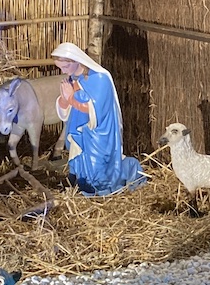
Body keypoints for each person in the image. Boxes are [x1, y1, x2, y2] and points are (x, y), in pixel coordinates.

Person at [51, 42, 145, 196]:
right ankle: (82, 186)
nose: (63, 71)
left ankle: (128, 170)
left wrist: (71, 97)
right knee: (80, 166)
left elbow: (94, 109)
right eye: (60, 67)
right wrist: (64, 98)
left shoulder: (100, 78)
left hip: (97, 133)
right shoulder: (74, 79)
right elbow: (66, 107)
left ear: (75, 60)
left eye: (65, 67)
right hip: (78, 131)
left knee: (98, 170)